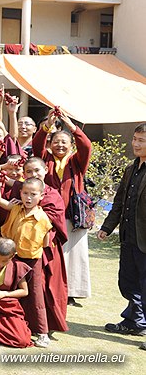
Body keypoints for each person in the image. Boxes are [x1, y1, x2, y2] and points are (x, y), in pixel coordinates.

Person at [32, 108, 92, 305]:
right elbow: (37, 144)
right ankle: (51, 288)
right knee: (51, 253)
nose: (59, 145)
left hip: (71, 216)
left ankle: (72, 292)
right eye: (56, 141)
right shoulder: (45, 160)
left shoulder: (76, 161)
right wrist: (47, 125)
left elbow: (86, 146)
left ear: (71, 145)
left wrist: (72, 127)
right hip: (48, 215)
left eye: (64, 142)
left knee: (74, 255)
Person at [99, 123, 146, 351]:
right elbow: (119, 202)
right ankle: (134, 322)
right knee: (128, 282)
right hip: (129, 237)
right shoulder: (131, 169)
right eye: (135, 139)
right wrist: (107, 227)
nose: (136, 144)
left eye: (141, 140)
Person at [0, 177, 53, 347]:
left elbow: (46, 242)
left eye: (33, 194)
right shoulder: (16, 208)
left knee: (35, 294)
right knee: (7, 288)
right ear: (20, 193)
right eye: (25, 193)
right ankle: (6, 325)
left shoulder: (42, 218)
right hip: (12, 256)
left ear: (41, 196)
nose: (28, 198)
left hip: (32, 259)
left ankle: (43, 332)